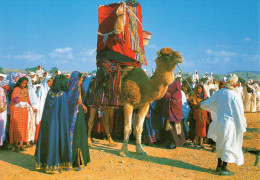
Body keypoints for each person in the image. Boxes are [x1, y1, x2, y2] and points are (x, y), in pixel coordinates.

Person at [200, 74, 247, 176]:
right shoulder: (235, 95)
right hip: (230, 124)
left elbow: (207, 103)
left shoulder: (219, 93)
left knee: (220, 143)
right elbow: (239, 112)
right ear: (234, 83)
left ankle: (218, 166)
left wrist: (200, 104)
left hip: (220, 122)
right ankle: (224, 168)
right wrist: (243, 126)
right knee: (228, 145)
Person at [34, 74, 72, 173]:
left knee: (49, 141)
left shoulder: (50, 93)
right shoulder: (62, 95)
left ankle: (45, 163)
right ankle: (54, 166)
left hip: (48, 123)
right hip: (58, 123)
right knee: (55, 142)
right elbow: (63, 114)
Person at [68, 71, 90, 170]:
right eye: (80, 80)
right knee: (75, 138)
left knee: (80, 136)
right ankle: (72, 162)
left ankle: (78, 161)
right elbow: (68, 101)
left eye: (81, 81)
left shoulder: (78, 89)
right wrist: (76, 103)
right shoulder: (70, 89)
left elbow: (79, 100)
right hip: (73, 117)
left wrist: (82, 105)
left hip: (79, 114)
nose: (81, 82)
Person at [9, 77, 37, 152]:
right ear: (19, 82)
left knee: (23, 127)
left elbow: (28, 101)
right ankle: (16, 145)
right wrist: (22, 96)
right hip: (16, 110)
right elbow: (15, 100)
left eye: (25, 83)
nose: (24, 85)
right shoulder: (16, 89)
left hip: (24, 110)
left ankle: (21, 144)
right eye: (23, 83)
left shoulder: (26, 90)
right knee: (16, 126)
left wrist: (32, 108)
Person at [164, 79, 186, 149]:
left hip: (173, 115)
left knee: (173, 129)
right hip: (177, 114)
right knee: (177, 128)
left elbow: (173, 102)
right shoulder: (178, 93)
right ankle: (179, 142)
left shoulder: (174, 94)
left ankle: (174, 143)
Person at [188, 84, 209, 149]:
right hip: (195, 114)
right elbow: (191, 102)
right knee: (196, 128)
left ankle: (201, 142)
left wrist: (198, 104)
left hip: (203, 114)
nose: (198, 90)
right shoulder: (193, 96)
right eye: (197, 88)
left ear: (202, 89)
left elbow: (207, 104)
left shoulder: (205, 97)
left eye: (200, 88)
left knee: (203, 128)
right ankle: (195, 142)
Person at [35, 76, 53, 141]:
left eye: (51, 81)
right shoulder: (41, 90)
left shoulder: (51, 90)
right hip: (41, 109)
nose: (50, 83)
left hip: (48, 109)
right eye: (49, 81)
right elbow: (37, 99)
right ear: (46, 82)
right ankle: (37, 139)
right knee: (39, 123)